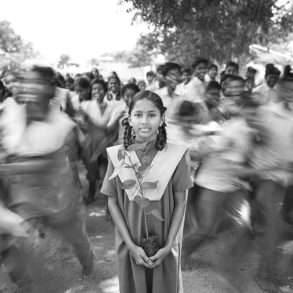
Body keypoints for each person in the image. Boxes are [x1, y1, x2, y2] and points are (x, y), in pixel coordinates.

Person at [0, 66, 94, 289]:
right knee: (22, 236)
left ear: (50, 89)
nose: (29, 86)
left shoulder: (61, 124)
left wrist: (6, 167)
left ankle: (88, 262)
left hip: (56, 189)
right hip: (24, 190)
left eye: (37, 82)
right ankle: (29, 283)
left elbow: (46, 163)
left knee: (75, 236)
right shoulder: (11, 110)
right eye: (26, 81)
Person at [101, 90, 193, 293]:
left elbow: (181, 202)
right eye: (138, 115)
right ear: (129, 118)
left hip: (165, 242)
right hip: (130, 240)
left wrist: (169, 244)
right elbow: (112, 202)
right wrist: (130, 245)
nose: (145, 121)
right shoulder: (117, 155)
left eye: (152, 115)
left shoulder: (177, 156)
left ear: (162, 119)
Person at [80, 78, 126, 203]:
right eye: (94, 89)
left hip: (107, 142)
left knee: (108, 173)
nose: (97, 91)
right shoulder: (85, 106)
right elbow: (82, 126)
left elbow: (113, 129)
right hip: (90, 143)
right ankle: (91, 194)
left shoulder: (112, 107)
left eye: (100, 89)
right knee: (92, 172)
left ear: (105, 91)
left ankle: (109, 204)